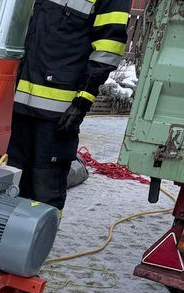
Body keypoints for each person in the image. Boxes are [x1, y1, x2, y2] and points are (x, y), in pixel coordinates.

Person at [7, 0, 129, 211]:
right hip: (12, 109)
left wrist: (82, 102)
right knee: (8, 186)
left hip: (56, 117)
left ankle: (39, 241)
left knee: (45, 193)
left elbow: (108, 49)